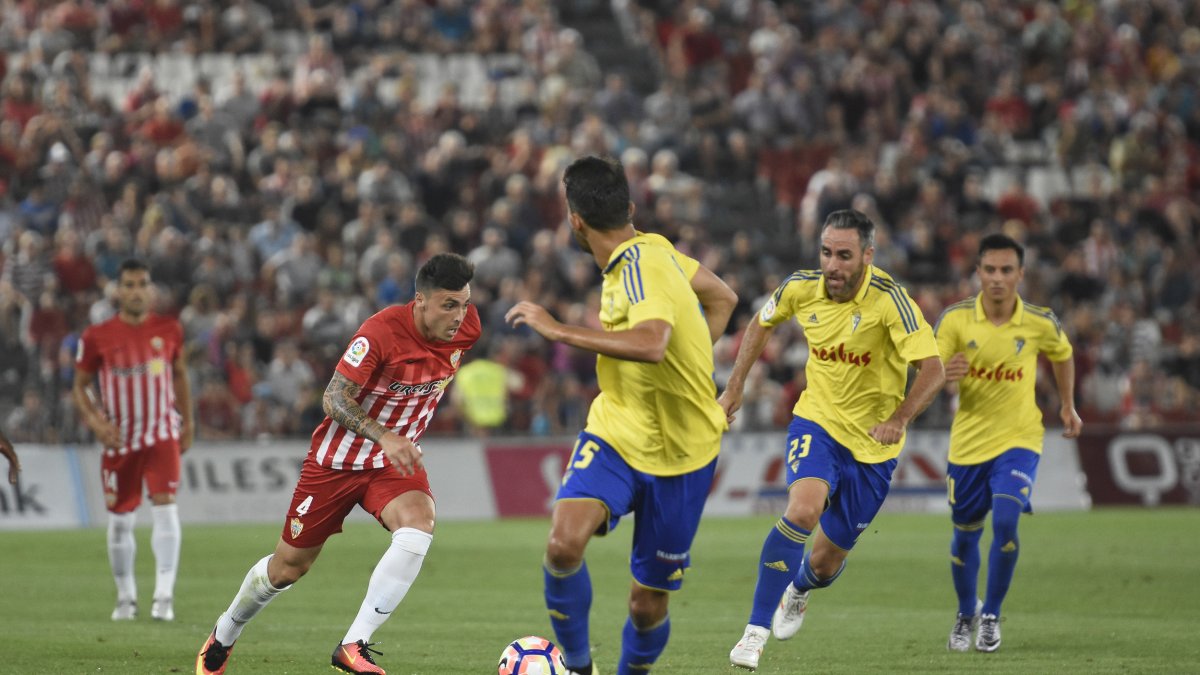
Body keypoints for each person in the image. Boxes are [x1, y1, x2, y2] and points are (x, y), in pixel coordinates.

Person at [505, 155, 737, 675]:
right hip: (616, 431)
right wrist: (695, 364)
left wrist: (559, 329)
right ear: (629, 208)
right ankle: (579, 667)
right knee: (564, 544)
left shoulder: (638, 265)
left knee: (645, 604)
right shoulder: (658, 250)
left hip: (682, 454)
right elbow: (723, 298)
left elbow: (653, 344)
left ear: (575, 222)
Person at [195, 253, 480, 675]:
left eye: (464, 303)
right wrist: (384, 434)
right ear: (419, 301)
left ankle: (353, 644)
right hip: (336, 462)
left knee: (419, 525)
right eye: (449, 305)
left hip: (390, 462)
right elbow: (333, 398)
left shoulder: (468, 330)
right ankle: (226, 629)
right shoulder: (380, 332)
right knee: (288, 568)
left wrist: (393, 441)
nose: (460, 316)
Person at [722, 209, 946, 670]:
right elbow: (760, 323)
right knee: (802, 510)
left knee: (824, 563)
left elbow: (934, 369)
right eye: (826, 253)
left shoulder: (891, 301)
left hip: (874, 446)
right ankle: (754, 631)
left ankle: (799, 589)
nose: (833, 265)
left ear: (867, 255)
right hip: (817, 423)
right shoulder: (799, 287)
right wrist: (735, 384)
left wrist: (901, 418)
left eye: (844, 255)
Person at [934, 233, 1082, 653]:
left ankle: (992, 616)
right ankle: (967, 612)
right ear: (977, 272)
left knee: (1006, 523)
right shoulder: (955, 320)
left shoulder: (1039, 320)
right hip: (967, 445)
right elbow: (926, 367)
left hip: (1020, 439)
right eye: (990, 270)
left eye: (1006, 270)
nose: (997, 278)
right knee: (964, 537)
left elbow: (1063, 354)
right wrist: (945, 372)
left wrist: (1068, 406)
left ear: (1021, 274)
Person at [72, 258, 194, 622]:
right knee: (122, 520)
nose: (136, 291)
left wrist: (188, 423)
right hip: (119, 440)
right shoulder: (96, 336)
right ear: (118, 290)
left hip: (161, 434)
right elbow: (79, 387)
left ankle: (163, 597)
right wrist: (95, 422)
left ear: (150, 288)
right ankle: (126, 598)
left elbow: (180, 375)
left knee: (166, 508)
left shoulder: (169, 329)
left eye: (142, 283)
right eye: (129, 284)